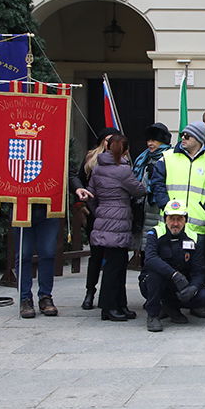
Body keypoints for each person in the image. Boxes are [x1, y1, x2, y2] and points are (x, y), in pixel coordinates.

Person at [150, 121, 205, 311]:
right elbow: (157, 184)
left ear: (198, 139)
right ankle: (166, 301)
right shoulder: (167, 157)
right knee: (168, 261)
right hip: (171, 223)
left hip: (197, 224)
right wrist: (166, 206)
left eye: (187, 136)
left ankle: (197, 300)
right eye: (182, 135)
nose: (183, 138)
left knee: (198, 265)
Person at [81, 132, 148, 322]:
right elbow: (139, 190)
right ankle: (109, 307)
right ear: (125, 150)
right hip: (118, 221)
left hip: (103, 220)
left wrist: (100, 212)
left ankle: (120, 304)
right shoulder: (123, 170)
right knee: (114, 268)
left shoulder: (97, 168)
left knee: (115, 265)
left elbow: (91, 197)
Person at [140, 199, 205, 333]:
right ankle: (153, 314)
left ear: (186, 220)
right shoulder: (155, 233)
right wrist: (174, 275)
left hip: (181, 285)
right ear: (165, 219)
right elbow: (150, 259)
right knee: (154, 273)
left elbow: (199, 270)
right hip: (155, 283)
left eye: (180, 219)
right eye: (172, 219)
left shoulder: (194, 238)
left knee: (203, 296)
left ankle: (171, 307)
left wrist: (193, 287)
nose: (175, 223)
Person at [77, 127, 118, 308]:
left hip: (114, 214)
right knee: (95, 255)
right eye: (107, 140)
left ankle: (109, 295)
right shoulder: (90, 160)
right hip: (94, 214)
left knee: (113, 256)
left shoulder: (121, 160)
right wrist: (81, 205)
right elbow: (78, 182)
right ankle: (90, 292)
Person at [132, 123, 171, 255]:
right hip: (145, 209)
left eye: (153, 140)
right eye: (148, 140)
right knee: (146, 246)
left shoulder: (170, 157)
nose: (150, 143)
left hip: (161, 207)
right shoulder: (143, 159)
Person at [17, 204, 60, 319]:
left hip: (49, 207)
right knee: (24, 255)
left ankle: (45, 296)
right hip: (21, 206)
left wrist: (76, 187)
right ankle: (25, 298)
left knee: (48, 253)